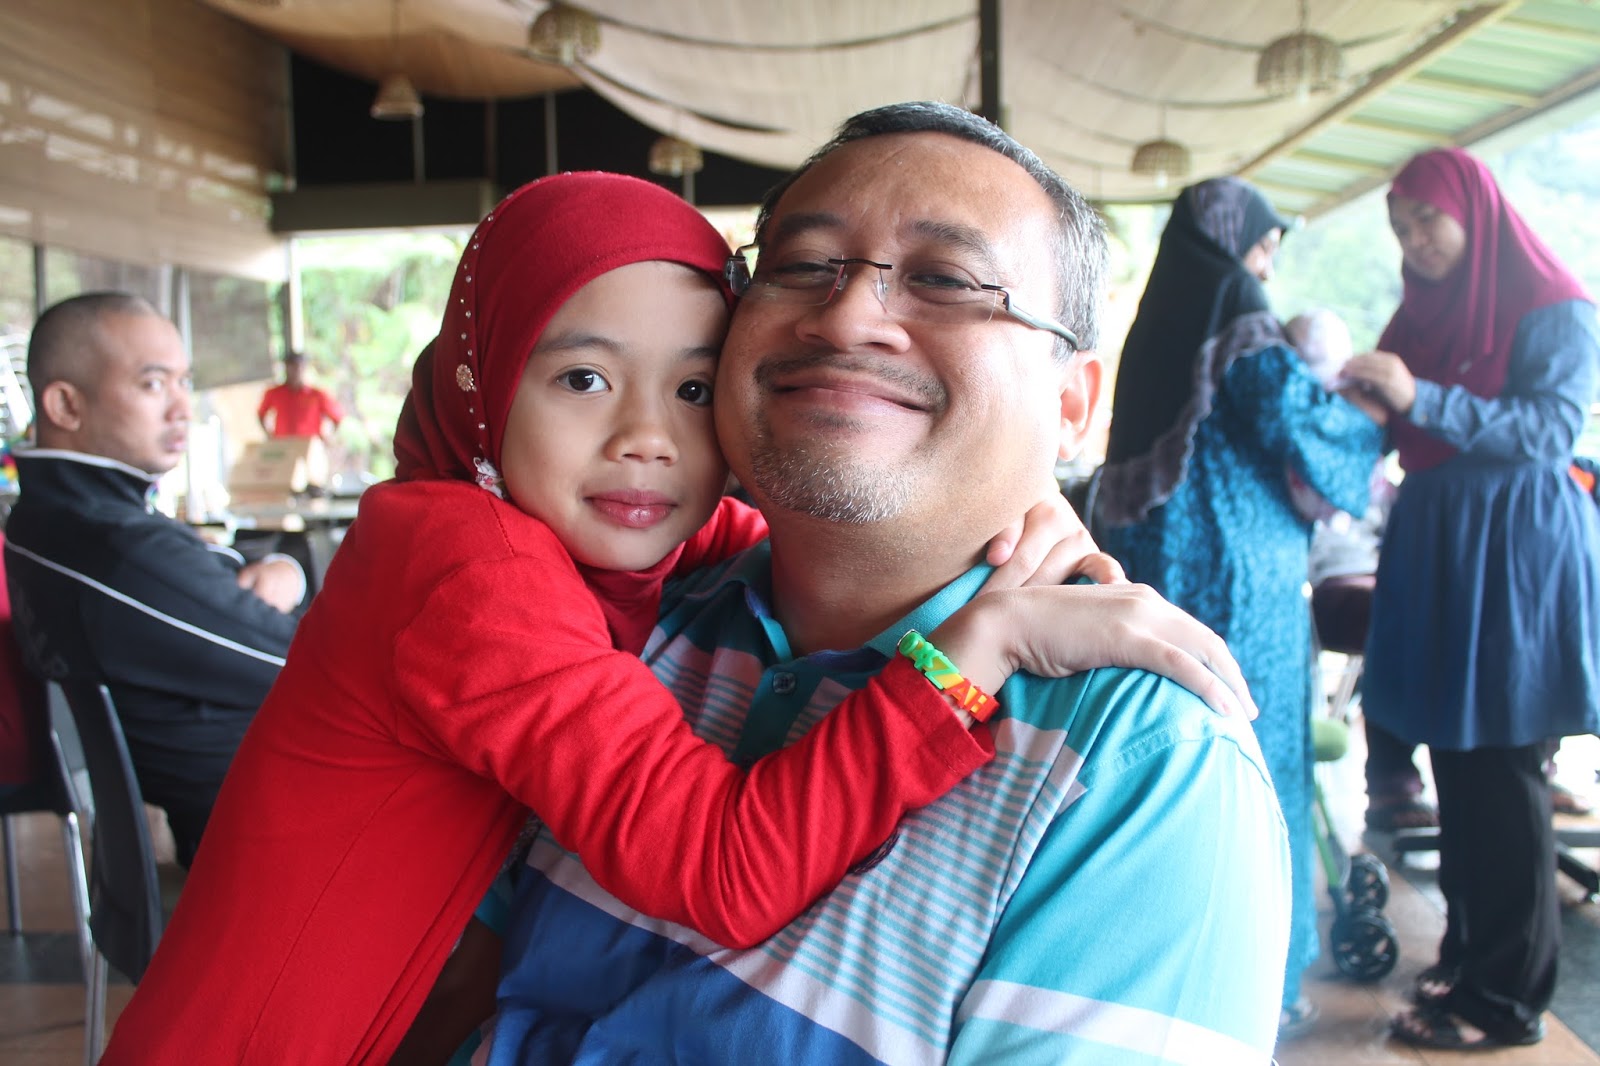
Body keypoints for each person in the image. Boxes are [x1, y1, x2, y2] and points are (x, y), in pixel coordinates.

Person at [103, 173, 1250, 1066]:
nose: (647, 437)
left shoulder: (579, 544)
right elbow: (718, 865)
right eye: (582, 379)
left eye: (693, 390)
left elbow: (747, 537)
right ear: (480, 384)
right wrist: (973, 645)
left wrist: (993, 502)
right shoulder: (468, 564)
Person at [485, 104, 1290, 1065]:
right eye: (801, 265)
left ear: (1072, 405)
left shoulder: (1136, 764)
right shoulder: (613, 621)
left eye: (944, 279)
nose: (846, 316)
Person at [1095, 176, 1385, 1039]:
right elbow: (1292, 417)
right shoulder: (1238, 303)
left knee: (1167, 755)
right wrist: (1372, 420)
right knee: (1255, 756)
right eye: (1265, 241)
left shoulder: (1163, 315)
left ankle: (1166, 969)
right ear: (1235, 238)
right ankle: (1263, 976)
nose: (1267, 260)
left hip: (1155, 564)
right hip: (1236, 571)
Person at [1339, 146, 1600, 1051]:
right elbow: (1394, 415)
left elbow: (1548, 431)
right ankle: (1468, 950)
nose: (1416, 240)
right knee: (1454, 755)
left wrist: (1422, 397)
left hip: (1514, 549)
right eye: (1400, 226)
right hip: (1441, 546)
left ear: (1475, 212)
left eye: (1428, 219)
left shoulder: (1554, 304)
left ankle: (1505, 1000)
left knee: (1502, 765)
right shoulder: (1421, 312)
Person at [3, 293, 305, 866]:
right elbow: (309, 663)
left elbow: (210, 589)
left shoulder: (42, 519)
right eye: (152, 384)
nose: (181, 408)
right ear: (65, 404)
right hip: (282, 841)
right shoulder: (113, 545)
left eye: (184, 382)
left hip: (241, 817)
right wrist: (289, 578)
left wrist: (281, 574)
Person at [257, 349, 344, 439]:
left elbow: (337, 417)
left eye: (298, 366)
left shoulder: (317, 395)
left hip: (308, 443)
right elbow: (261, 414)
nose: (295, 370)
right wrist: (269, 435)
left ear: (304, 368)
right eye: (291, 366)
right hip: (283, 442)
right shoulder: (274, 393)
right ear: (286, 368)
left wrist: (327, 438)